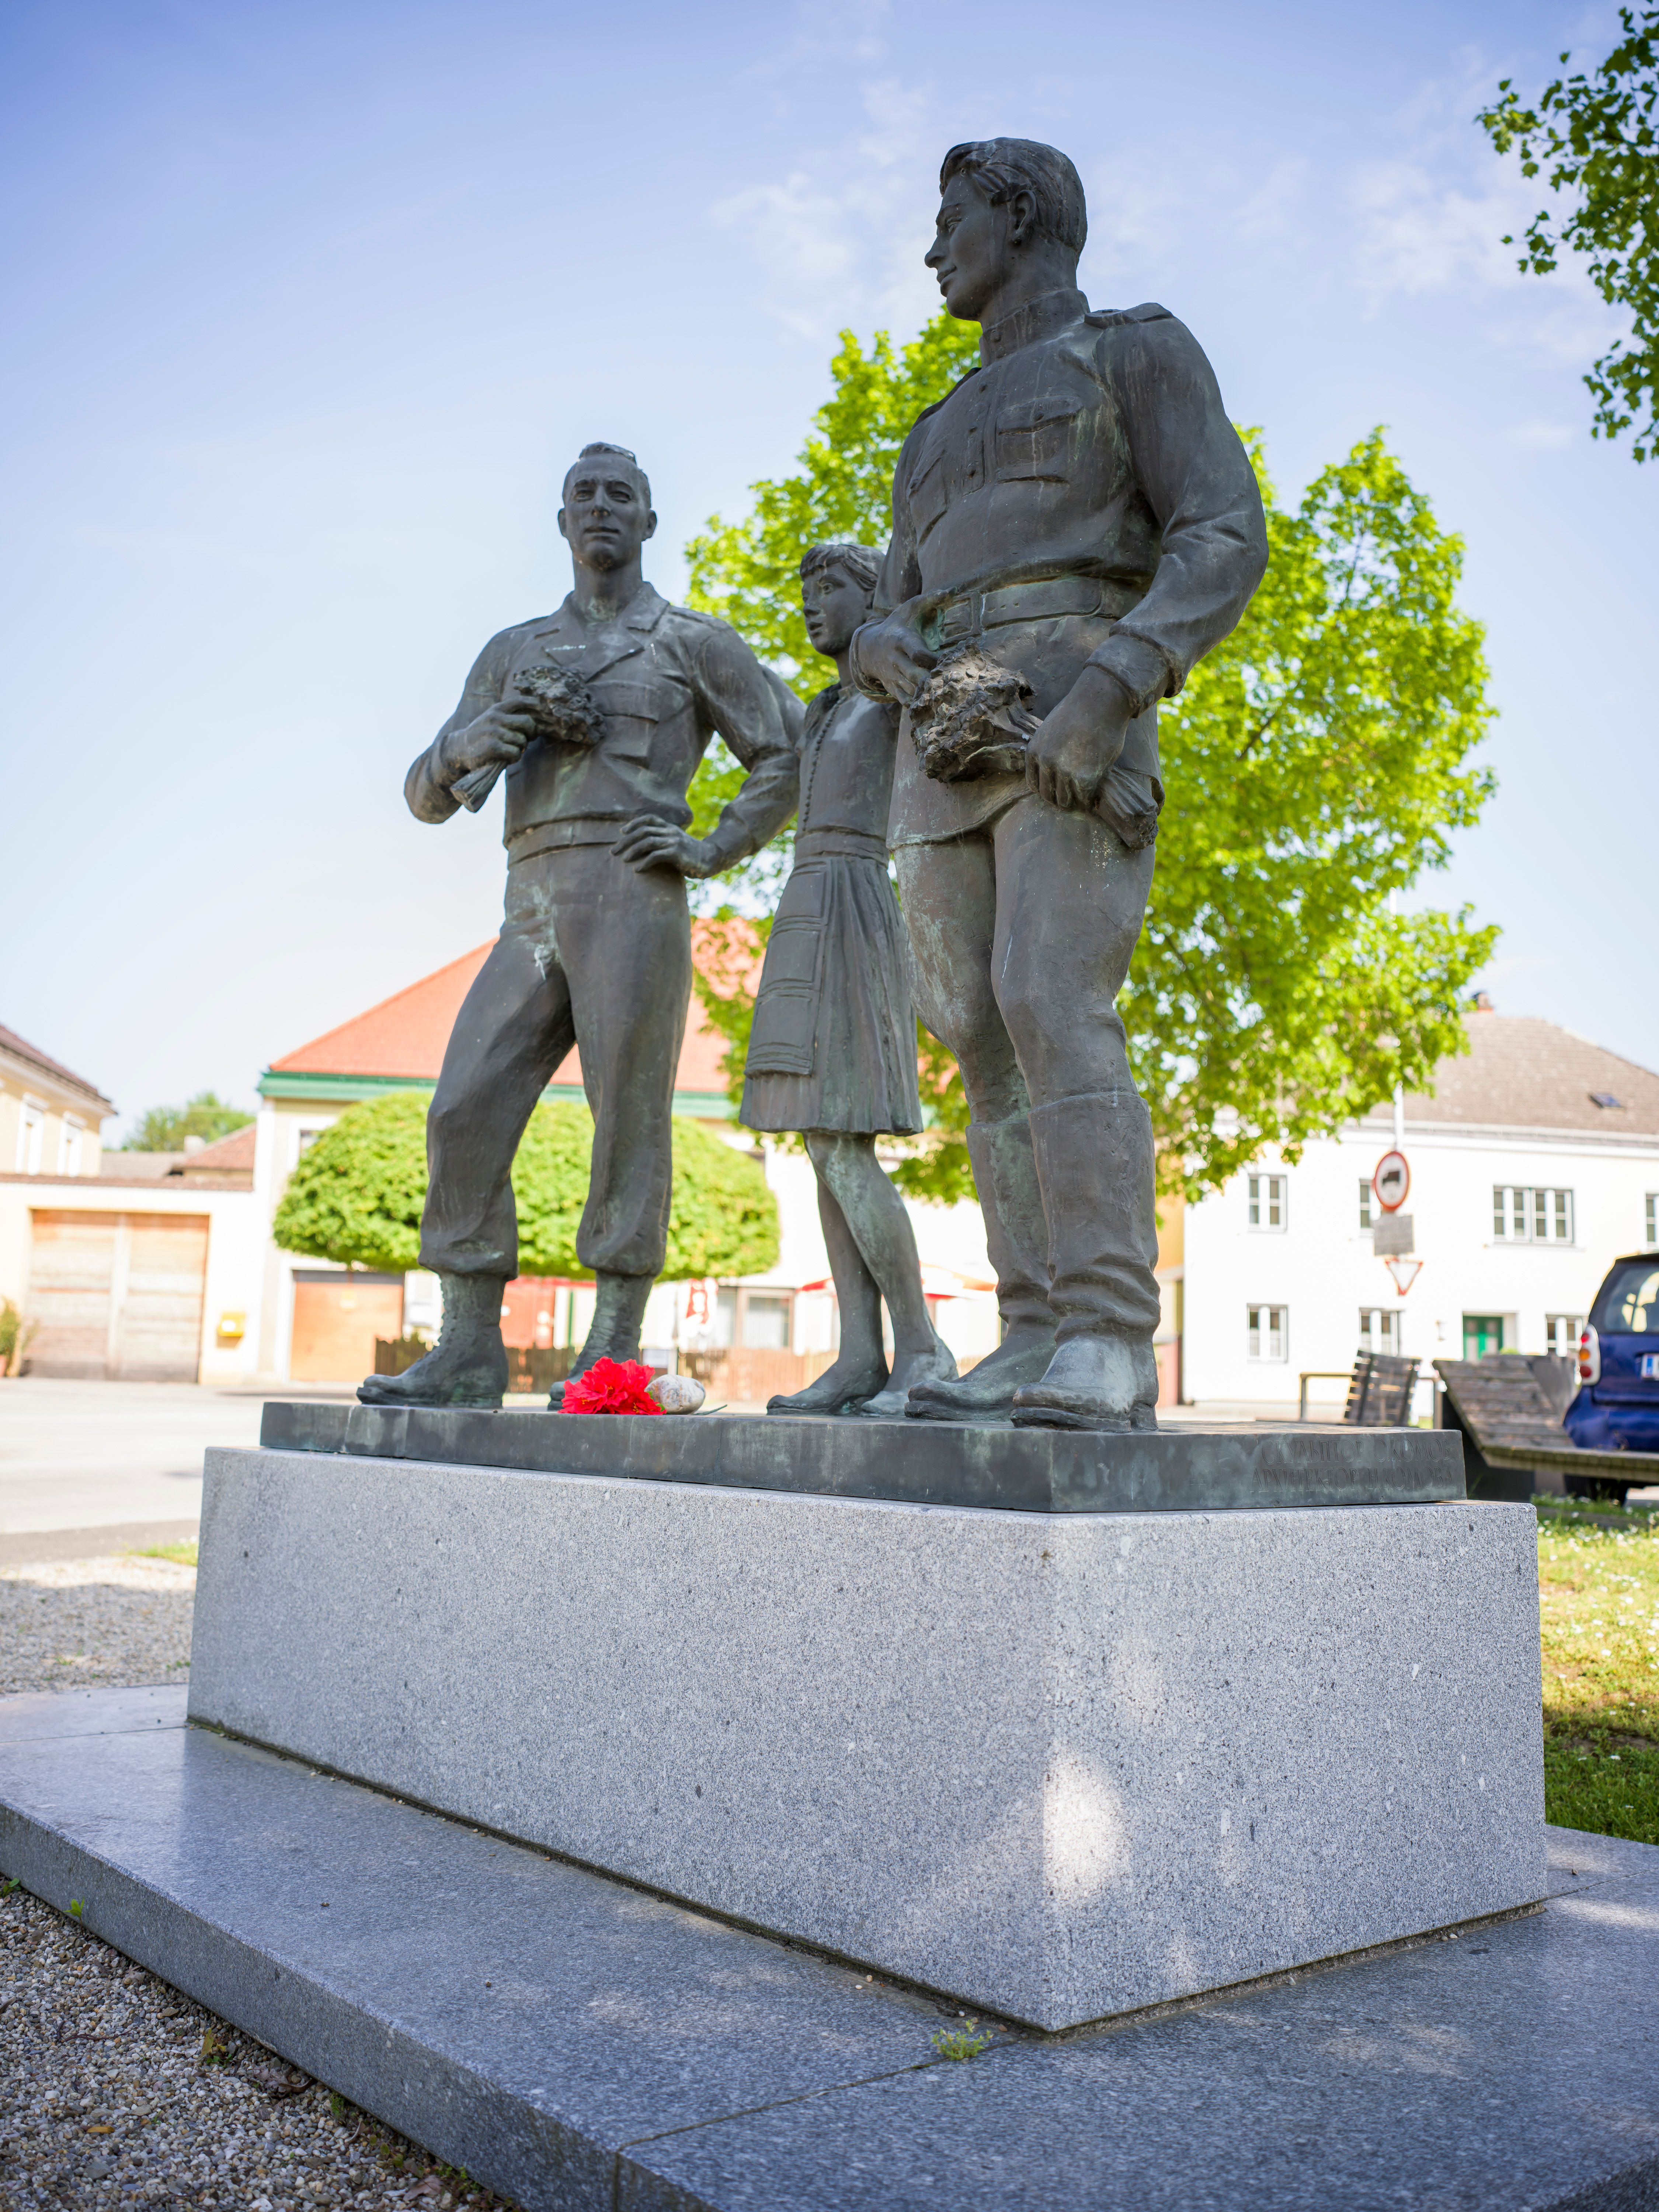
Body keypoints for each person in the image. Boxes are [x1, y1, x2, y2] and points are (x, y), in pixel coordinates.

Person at [849, 140, 1268, 1430]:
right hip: (943, 741)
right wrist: (876, 641)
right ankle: (1029, 1331)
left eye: (951, 222)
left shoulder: (1130, 352)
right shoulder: (929, 431)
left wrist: (1114, 690)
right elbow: (903, 600)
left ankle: (1106, 1331)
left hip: (1072, 705)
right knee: (974, 1025)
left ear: (1017, 217)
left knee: (1049, 994)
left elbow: (1222, 531)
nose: (932, 252)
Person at [359, 444, 798, 1408]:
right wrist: (468, 744)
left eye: (622, 497)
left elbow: (782, 753)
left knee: (627, 1119)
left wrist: (714, 845)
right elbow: (424, 797)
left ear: (647, 523)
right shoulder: (513, 651)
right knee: (464, 1104)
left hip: (633, 891)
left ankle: (612, 1347)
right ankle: (470, 1344)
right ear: (562, 524)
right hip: (530, 896)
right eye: (583, 496)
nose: (601, 509)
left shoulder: (692, 642)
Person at [740, 544, 957, 1419]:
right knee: (818, 1138)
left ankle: (922, 1347)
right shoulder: (824, 708)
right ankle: (861, 1354)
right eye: (804, 590)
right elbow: (770, 801)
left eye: (828, 587)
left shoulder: (886, 682)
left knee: (841, 1139)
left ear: (872, 598)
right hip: (807, 901)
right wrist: (703, 850)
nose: (809, 604)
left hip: (857, 900)